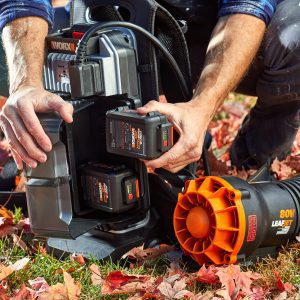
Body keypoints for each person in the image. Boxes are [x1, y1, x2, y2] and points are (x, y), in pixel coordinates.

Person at [0, 0, 299, 174]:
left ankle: (255, 158)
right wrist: (25, 83)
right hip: (112, 26)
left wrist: (202, 106)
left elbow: (248, 5)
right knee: (10, 45)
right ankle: (61, 154)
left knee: (295, 32)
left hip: (213, 31)